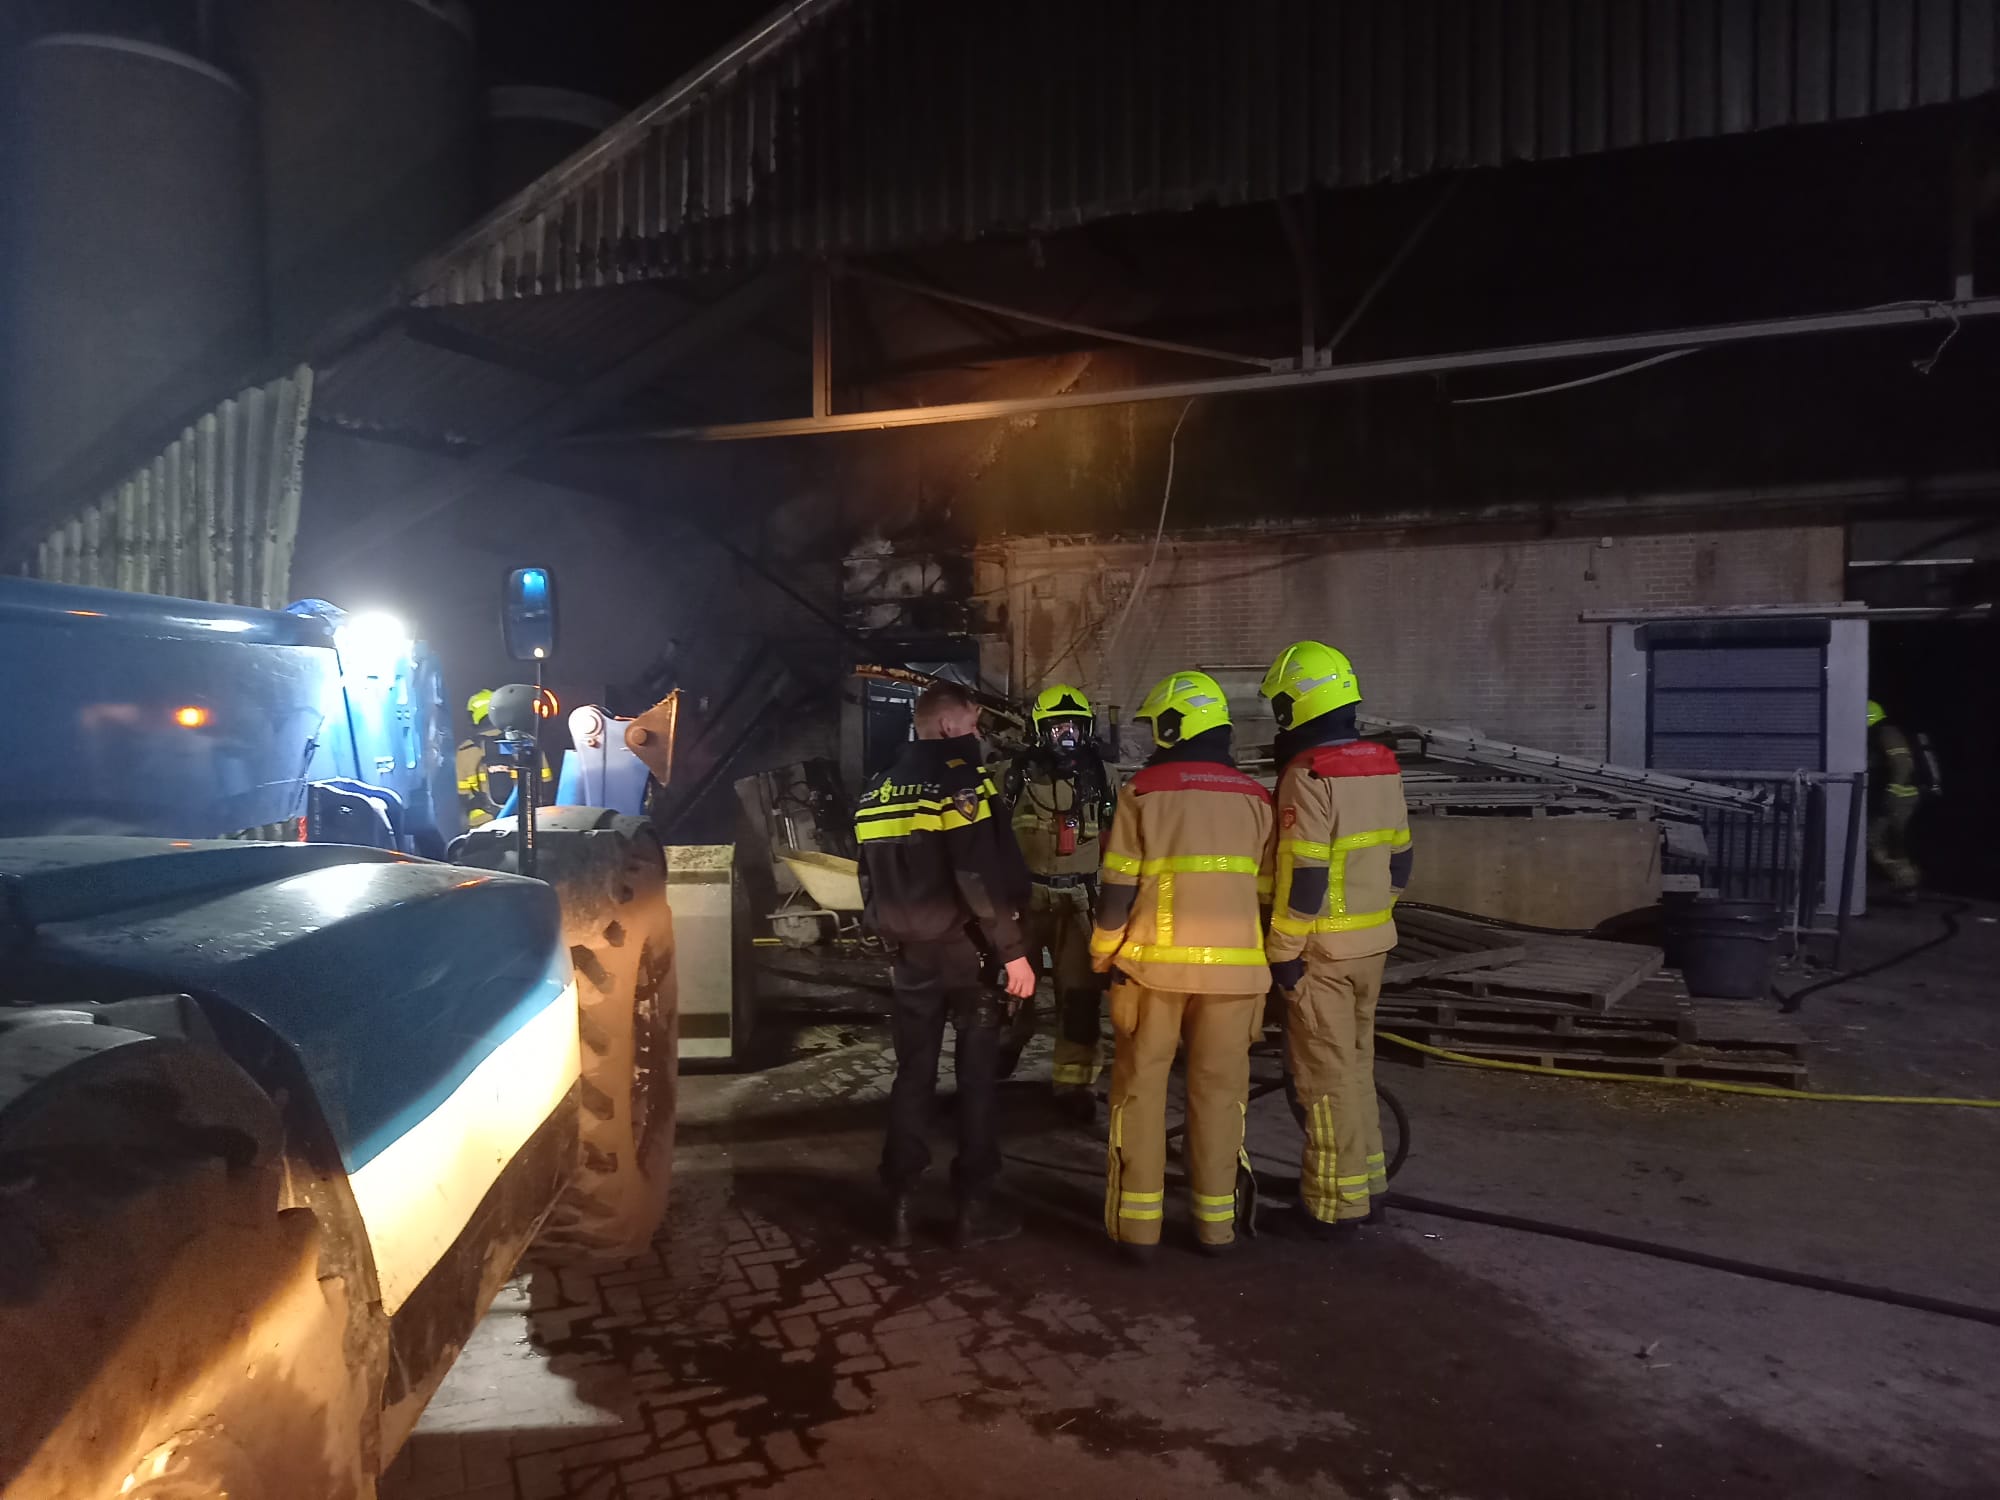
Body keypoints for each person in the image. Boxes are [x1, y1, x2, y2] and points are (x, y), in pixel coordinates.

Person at [1090, 670, 1274, 1260]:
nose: (1152, 738)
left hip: (1152, 976)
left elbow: (1117, 890)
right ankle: (1215, 1228)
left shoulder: (1142, 792)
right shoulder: (1258, 799)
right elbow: (1265, 894)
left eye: (1157, 726)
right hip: (1237, 981)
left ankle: (1138, 1230)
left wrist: (1101, 953)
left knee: (1140, 1095)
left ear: (1175, 726)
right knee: (1220, 1097)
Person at [853, 682, 1038, 1249]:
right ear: (950, 725)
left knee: (913, 1075)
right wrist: (1013, 952)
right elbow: (977, 876)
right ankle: (971, 1209)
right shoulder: (963, 783)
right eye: (974, 723)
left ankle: (899, 1205)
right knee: (977, 1079)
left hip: (910, 959)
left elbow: (867, 880)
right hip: (969, 955)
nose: (978, 734)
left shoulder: (877, 789)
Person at [1259, 641, 1412, 1237]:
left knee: (1323, 1080)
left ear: (1297, 704)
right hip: (1372, 947)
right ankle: (1367, 1186)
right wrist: (1372, 918)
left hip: (1320, 953)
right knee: (1355, 1070)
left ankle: (1332, 1206)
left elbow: (1307, 877)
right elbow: (1401, 862)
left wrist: (1282, 951)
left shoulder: (1309, 774)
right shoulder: (1382, 765)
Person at [999, 683, 1119, 1122]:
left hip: (1078, 901)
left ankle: (1074, 1083)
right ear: (1038, 731)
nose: (1067, 736)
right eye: (1057, 728)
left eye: (1074, 727)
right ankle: (1006, 1044)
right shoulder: (1010, 776)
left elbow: (1119, 840)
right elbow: (987, 840)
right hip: (1023, 900)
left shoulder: (1104, 778)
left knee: (1081, 996)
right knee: (1011, 987)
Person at [1866, 699, 1922, 896]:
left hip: (1898, 799)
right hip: (1895, 798)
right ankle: (1906, 884)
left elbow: (1902, 764)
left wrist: (1891, 792)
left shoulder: (1886, 733)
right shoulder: (1882, 733)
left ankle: (1907, 884)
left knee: (1876, 842)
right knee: (1888, 844)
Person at [456, 689, 501, 827]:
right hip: (523, 820)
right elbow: (545, 782)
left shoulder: (465, 750)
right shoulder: (524, 743)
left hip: (483, 823)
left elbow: (462, 794)